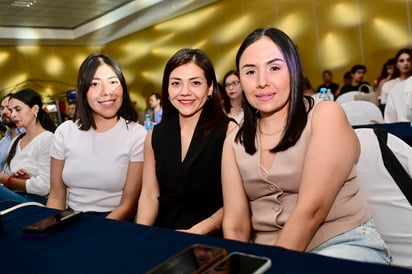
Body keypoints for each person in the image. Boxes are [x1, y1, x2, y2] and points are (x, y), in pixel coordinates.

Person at [221, 27, 391, 264]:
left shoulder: (324, 115)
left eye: (275, 68)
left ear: (294, 71)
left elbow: (312, 210)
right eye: (250, 72)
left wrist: (272, 267)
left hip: (341, 244)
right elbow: (235, 223)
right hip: (266, 254)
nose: (262, 82)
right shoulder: (234, 141)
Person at [136, 48, 229, 236]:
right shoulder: (155, 135)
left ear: (210, 87)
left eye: (195, 83)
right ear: (167, 89)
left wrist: (198, 230)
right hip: (164, 235)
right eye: (176, 83)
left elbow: (238, 201)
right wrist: (141, 237)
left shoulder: (229, 132)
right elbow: (149, 195)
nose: (185, 92)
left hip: (212, 239)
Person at [47, 53, 146, 221]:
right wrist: (49, 227)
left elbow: (128, 205)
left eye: (113, 82)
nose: (107, 91)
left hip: (114, 222)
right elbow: (56, 196)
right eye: (95, 84)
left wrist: (96, 230)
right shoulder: (65, 132)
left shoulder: (137, 135)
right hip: (70, 219)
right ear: (83, 91)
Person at [0, 89, 56, 204]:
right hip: (16, 197)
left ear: (35, 109)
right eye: (11, 110)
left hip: (36, 202)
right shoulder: (16, 140)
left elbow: (45, 186)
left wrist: (10, 180)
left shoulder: (47, 138)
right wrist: (14, 179)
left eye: (18, 109)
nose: (13, 114)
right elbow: (5, 176)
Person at [0, 93, 25, 171]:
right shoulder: (2, 142)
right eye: (2, 108)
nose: (4, 112)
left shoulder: (28, 135)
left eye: (8, 108)